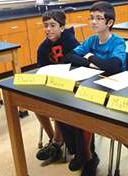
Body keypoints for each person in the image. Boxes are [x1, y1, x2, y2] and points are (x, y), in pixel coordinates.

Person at [62, 1, 126, 176]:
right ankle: (85, 155)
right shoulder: (91, 40)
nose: (93, 22)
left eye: (99, 19)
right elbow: (69, 56)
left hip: (114, 90)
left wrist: (91, 56)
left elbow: (113, 66)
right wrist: (90, 62)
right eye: (91, 18)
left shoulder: (118, 42)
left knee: (84, 116)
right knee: (66, 110)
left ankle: (86, 158)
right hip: (92, 85)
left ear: (109, 23)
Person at [35, 9, 80, 161]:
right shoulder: (42, 47)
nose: (48, 29)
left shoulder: (72, 42)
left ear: (62, 27)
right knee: (37, 106)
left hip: (70, 86)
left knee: (57, 105)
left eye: (52, 25)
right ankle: (54, 140)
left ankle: (56, 143)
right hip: (50, 86)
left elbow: (79, 66)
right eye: (45, 25)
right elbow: (41, 69)